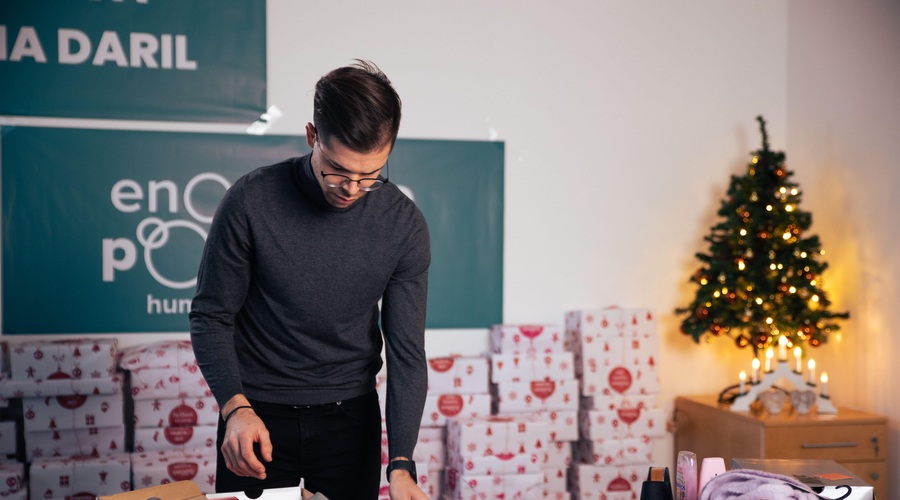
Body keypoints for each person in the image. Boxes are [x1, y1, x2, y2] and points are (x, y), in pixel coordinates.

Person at [190, 60, 431, 500]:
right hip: (257, 418)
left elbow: (407, 353)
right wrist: (234, 408)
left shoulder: (403, 225)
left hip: (351, 423)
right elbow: (211, 315)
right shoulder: (250, 200)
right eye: (338, 169)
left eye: (370, 175)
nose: (352, 189)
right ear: (311, 136)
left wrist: (401, 463)